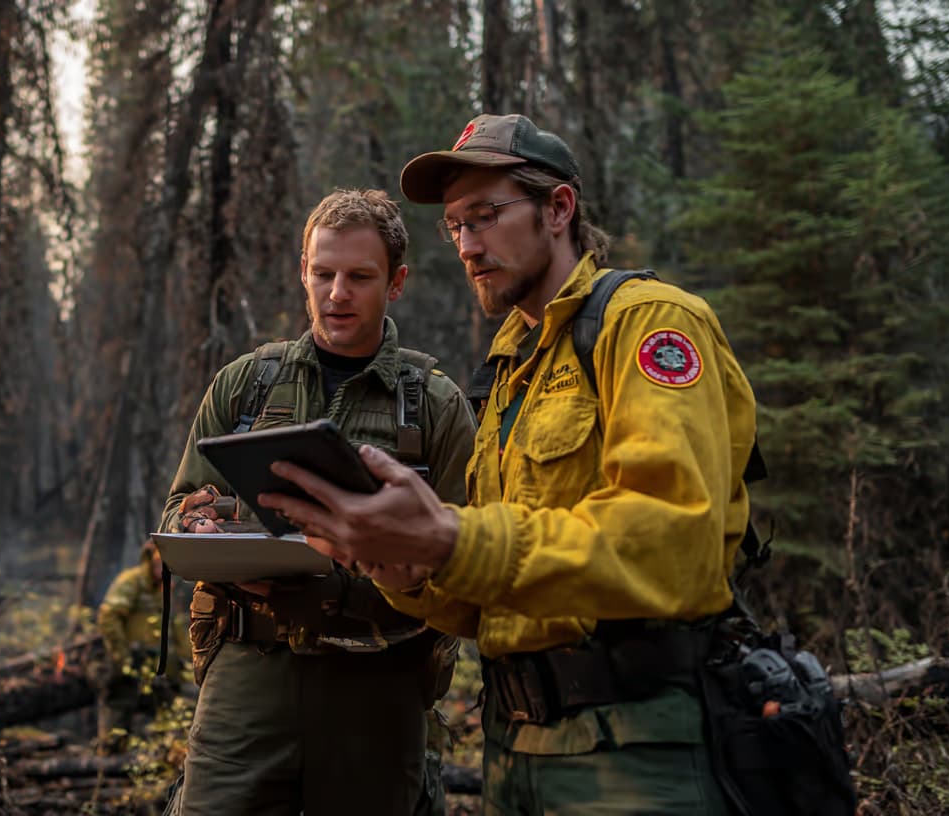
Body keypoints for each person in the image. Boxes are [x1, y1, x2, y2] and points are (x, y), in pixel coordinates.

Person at [259, 114, 759, 814]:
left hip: (635, 747)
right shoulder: (508, 372)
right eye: (456, 226)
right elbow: (489, 596)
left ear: (559, 209)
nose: (468, 245)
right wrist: (403, 569)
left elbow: (675, 543)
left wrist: (453, 538)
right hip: (515, 749)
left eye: (486, 217)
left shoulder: (645, 325)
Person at [160, 188, 477, 815]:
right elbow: (178, 514)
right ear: (302, 271)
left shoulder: (434, 406)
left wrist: (345, 587)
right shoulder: (247, 385)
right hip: (248, 675)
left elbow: (466, 562)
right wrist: (205, 527)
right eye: (323, 273)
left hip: (378, 685)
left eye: (360, 277)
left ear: (397, 282)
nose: (337, 293)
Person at [92, 538, 189, 754]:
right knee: (119, 710)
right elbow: (109, 616)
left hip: (157, 666)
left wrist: (185, 660)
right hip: (131, 660)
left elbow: (175, 624)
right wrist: (122, 656)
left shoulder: (165, 588)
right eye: (159, 563)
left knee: (166, 714)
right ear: (150, 560)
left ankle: (160, 762)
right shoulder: (132, 581)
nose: (163, 569)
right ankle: (107, 766)